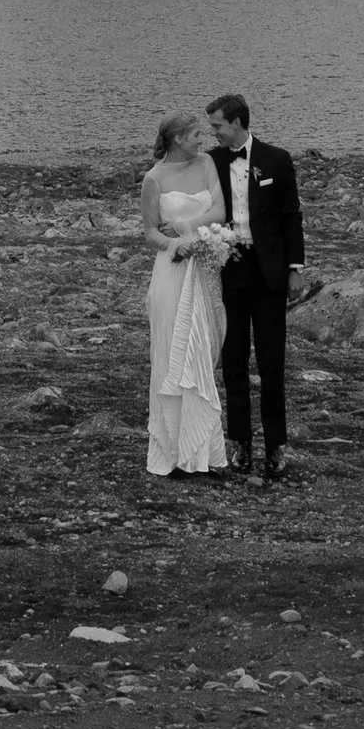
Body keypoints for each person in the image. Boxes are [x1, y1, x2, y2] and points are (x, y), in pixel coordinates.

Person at [207, 91, 304, 483]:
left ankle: (277, 445)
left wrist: (295, 268)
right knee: (233, 362)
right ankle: (239, 442)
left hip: (268, 274)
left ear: (237, 123)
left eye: (217, 125)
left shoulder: (276, 159)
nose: (213, 133)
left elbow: (290, 216)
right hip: (228, 269)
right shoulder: (211, 162)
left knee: (271, 362)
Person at [139, 108, 232, 476]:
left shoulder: (207, 163)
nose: (202, 140)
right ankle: (171, 452)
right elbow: (149, 232)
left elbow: (221, 211)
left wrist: (185, 228)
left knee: (204, 350)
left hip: (204, 266)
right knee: (170, 351)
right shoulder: (153, 178)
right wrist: (176, 245)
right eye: (196, 134)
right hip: (172, 270)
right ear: (178, 138)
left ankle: (203, 452)